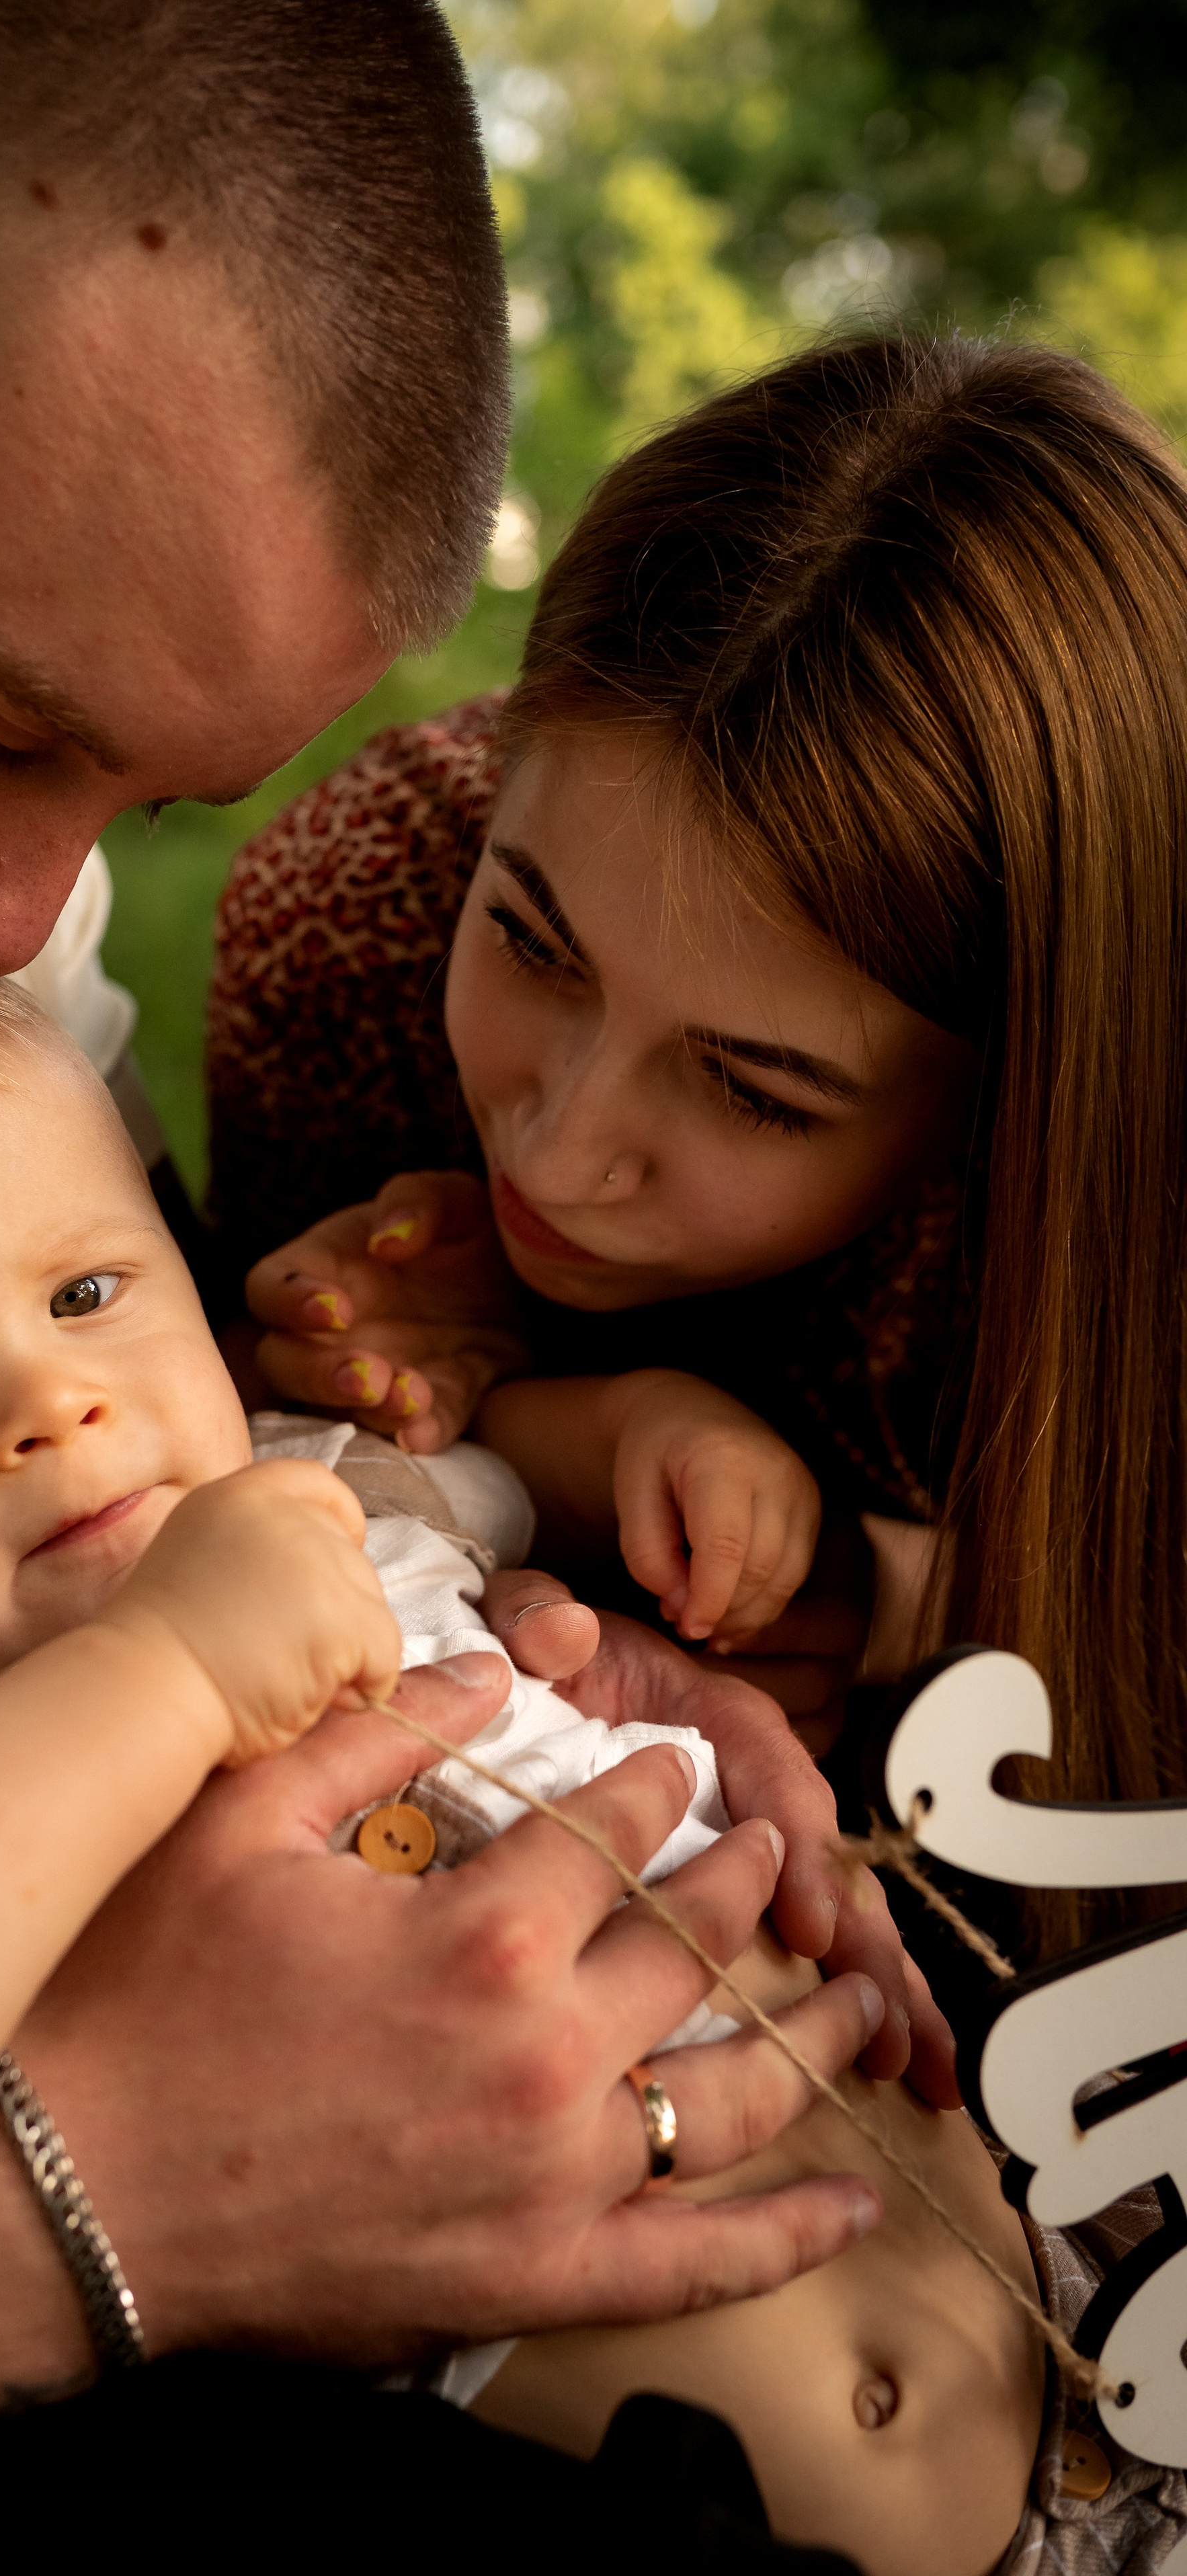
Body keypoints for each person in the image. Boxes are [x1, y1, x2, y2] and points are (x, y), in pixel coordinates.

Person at [0, 0, 910, 2560]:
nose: (22, 926)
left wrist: (574, 1649)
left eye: (130, 806)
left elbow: (242, 1470)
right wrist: (110, 2186)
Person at [0, 959, 1034, 2576]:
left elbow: (522, 1472)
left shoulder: (320, 1489)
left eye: (83, 1294)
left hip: (1066, 2308)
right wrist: (162, 1670)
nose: (52, 1402)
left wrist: (654, 1433)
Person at [214, 331, 1187, 1957]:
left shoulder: (1129, 1172)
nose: (561, 1148)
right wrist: (519, 1417)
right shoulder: (354, 921)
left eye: (754, 1089)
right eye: (529, 938)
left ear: (1010, 1095)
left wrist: (891, 1596)